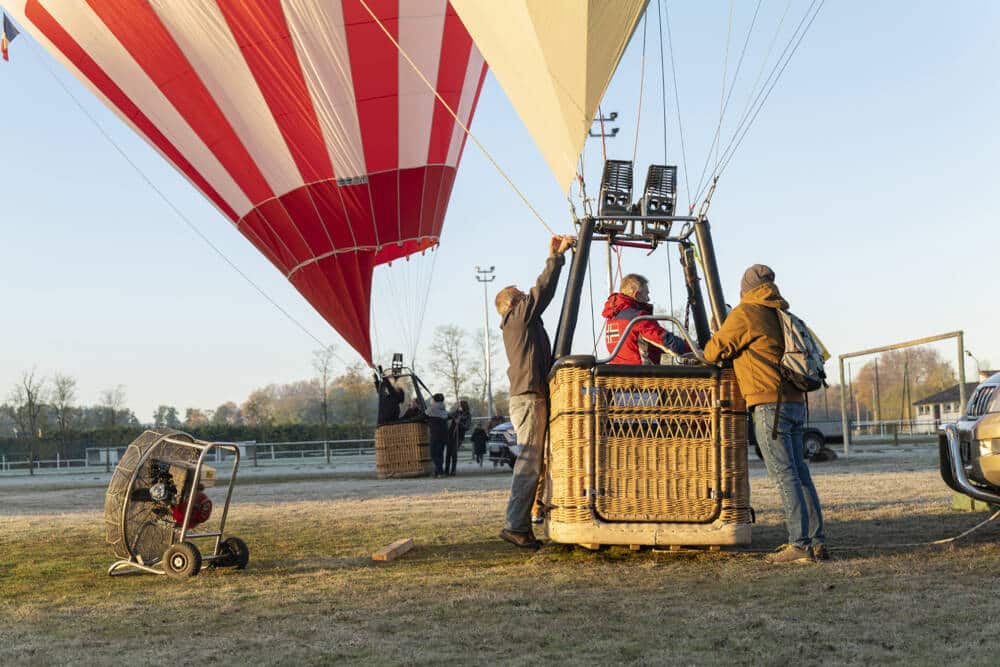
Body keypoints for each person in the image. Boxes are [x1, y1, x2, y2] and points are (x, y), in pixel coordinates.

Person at [702, 264, 827, 564]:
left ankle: (799, 545)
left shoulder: (745, 314)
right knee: (800, 474)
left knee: (785, 476)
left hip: (770, 405)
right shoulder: (783, 314)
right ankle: (817, 541)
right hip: (797, 402)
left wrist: (718, 331)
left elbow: (712, 352)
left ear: (745, 289)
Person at [495, 234, 575, 549]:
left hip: (531, 395)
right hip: (528, 398)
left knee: (535, 461)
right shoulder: (515, 320)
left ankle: (524, 522)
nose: (527, 299)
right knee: (528, 460)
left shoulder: (527, 328)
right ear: (512, 305)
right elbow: (541, 292)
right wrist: (555, 257)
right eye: (520, 296)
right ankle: (515, 525)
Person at [602, 273, 690, 364]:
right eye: (646, 294)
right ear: (636, 295)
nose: (648, 299)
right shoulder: (637, 317)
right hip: (639, 373)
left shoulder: (612, 318)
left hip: (617, 371)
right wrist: (690, 348)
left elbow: (644, 345)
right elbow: (663, 340)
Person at [425, 394, 450, 478]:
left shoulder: (431, 409)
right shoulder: (444, 409)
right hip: (444, 435)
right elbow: (449, 416)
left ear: (434, 400)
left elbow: (423, 416)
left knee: (433, 454)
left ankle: (440, 472)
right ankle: (437, 472)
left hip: (435, 435)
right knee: (440, 453)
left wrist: (410, 420)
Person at [445, 400, 471, 476]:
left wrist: (459, 423)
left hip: (459, 436)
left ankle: (453, 471)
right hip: (450, 435)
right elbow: (448, 416)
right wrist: (454, 415)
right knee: (448, 453)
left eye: (460, 405)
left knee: (454, 453)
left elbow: (467, 427)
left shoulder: (468, 415)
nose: (459, 407)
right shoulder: (456, 413)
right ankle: (446, 471)